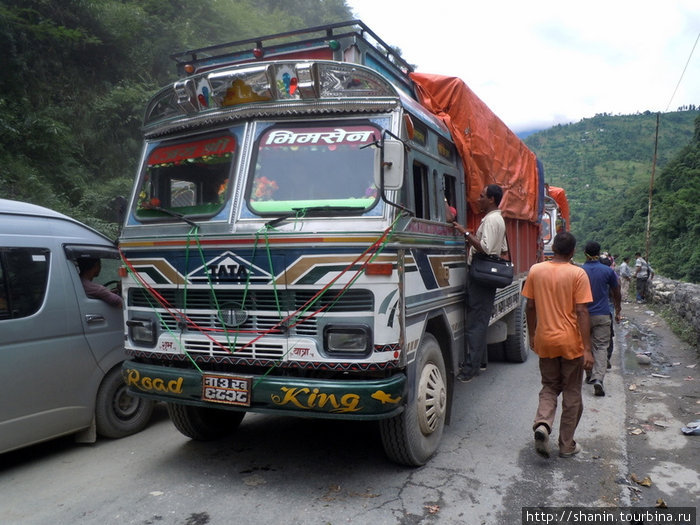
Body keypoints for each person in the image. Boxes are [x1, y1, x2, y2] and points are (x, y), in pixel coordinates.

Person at [522, 232, 593, 458]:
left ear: (552, 248)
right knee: (572, 393)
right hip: (570, 343)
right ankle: (566, 445)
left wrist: (533, 335)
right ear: (573, 251)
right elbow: (582, 311)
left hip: (545, 340)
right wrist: (587, 349)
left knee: (550, 386)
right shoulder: (578, 274)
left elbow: (530, 307)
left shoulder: (536, 270)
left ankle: (543, 423)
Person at [452, 184, 508, 382]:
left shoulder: (492, 220)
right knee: (480, 321)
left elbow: (485, 248)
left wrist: (465, 233)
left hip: (481, 277)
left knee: (475, 323)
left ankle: (470, 369)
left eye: (482, 196)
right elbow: (501, 248)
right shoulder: (497, 220)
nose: (479, 199)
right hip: (486, 277)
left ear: (491, 199)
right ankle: (480, 362)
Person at [582, 242, 621, 397]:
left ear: (584, 253)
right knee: (601, 347)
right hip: (602, 314)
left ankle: (589, 375)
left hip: (582, 315)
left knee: (586, 345)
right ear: (599, 253)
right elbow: (616, 291)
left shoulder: (579, 271)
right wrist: (618, 309)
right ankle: (599, 378)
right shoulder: (607, 271)